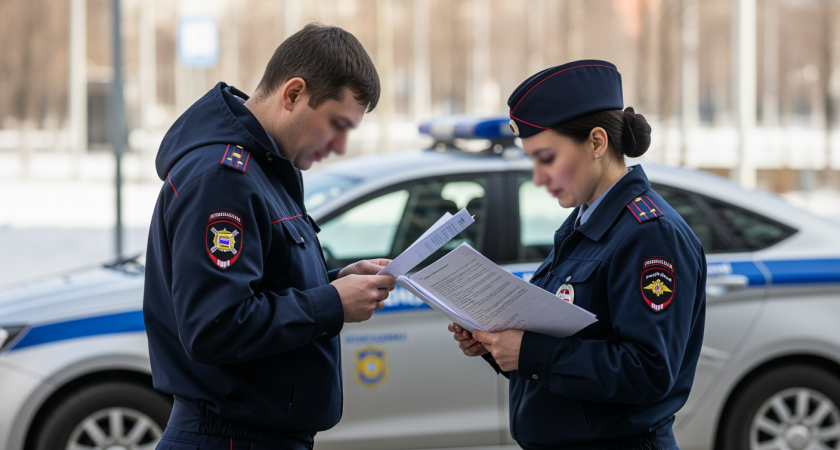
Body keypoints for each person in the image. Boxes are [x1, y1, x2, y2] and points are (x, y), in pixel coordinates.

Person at [143, 24, 396, 450]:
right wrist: (332, 303)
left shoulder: (266, 168)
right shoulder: (223, 177)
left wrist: (334, 281)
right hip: (228, 437)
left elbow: (262, 283)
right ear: (293, 93)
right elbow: (215, 326)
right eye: (336, 125)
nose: (339, 146)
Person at [448, 60, 706, 449]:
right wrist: (498, 342)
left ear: (597, 143)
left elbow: (649, 370)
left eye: (547, 158)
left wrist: (531, 352)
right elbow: (566, 339)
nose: (537, 178)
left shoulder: (650, 235)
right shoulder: (585, 224)